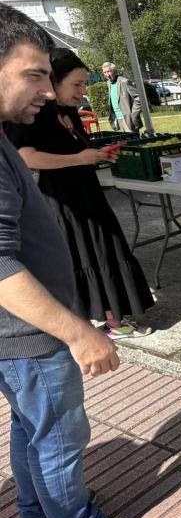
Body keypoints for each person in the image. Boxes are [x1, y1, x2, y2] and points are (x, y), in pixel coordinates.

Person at [0, 3, 153, 518]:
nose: (45, 89)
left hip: (17, 336)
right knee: (61, 433)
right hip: (29, 333)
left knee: (30, 427)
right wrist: (79, 332)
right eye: (33, 74)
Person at [5, 48, 154, 340]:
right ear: (55, 82)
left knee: (104, 251)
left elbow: (76, 150)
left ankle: (111, 316)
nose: (82, 90)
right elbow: (26, 157)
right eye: (76, 84)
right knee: (88, 256)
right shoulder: (35, 114)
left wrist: (97, 155)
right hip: (61, 201)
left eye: (84, 84)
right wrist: (80, 159)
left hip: (86, 193)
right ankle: (107, 320)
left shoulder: (68, 111)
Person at [101, 61, 141, 132]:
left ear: (115, 71)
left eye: (109, 71)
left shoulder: (125, 82)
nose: (107, 75)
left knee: (133, 142)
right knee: (121, 143)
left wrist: (134, 114)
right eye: (105, 72)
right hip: (116, 120)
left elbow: (138, 98)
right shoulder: (109, 83)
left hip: (128, 120)